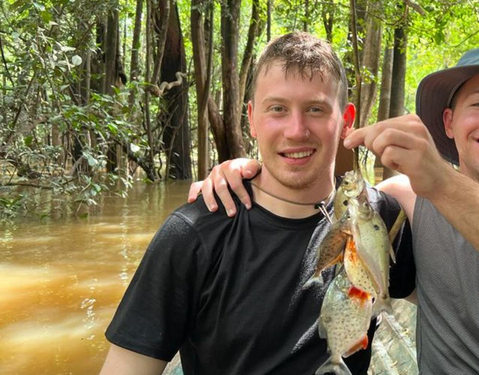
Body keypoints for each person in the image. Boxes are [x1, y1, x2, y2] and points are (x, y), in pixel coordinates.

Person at [192, 42, 479, 374]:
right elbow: (328, 195)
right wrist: (246, 173)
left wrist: (443, 183)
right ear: (449, 123)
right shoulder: (407, 200)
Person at [100, 32, 414, 375]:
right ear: (251, 118)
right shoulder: (194, 234)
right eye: (277, 109)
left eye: (315, 109)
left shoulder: (379, 219)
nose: (296, 130)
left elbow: (456, 306)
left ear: (346, 120)